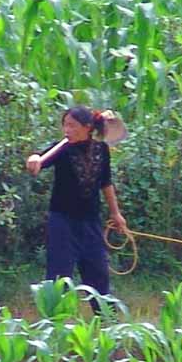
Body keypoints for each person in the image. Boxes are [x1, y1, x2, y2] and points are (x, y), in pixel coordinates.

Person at [26, 105, 128, 313]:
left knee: (98, 274)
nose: (67, 130)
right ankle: (53, 326)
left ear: (87, 127)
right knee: (59, 276)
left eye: (72, 126)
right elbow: (39, 161)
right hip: (62, 222)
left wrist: (116, 213)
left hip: (91, 222)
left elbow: (106, 183)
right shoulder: (61, 149)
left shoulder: (102, 150)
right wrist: (33, 160)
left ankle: (109, 327)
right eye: (65, 125)